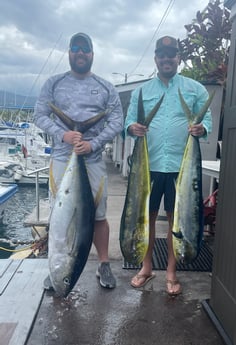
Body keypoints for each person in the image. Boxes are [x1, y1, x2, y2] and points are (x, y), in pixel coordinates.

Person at [34, 32, 123, 289]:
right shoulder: (53, 83)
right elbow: (40, 115)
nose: (81, 53)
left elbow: (116, 120)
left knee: (99, 215)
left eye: (86, 49)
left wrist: (92, 143)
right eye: (76, 48)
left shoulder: (106, 87)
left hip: (92, 160)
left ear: (92, 54)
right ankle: (56, 265)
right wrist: (64, 134)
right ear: (70, 52)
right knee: (60, 215)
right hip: (63, 159)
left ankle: (104, 264)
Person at [124, 36, 212, 295]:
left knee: (178, 221)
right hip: (148, 166)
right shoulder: (142, 91)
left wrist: (202, 127)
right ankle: (147, 267)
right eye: (162, 55)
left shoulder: (195, 89)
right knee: (146, 220)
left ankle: (171, 272)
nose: (166, 59)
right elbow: (128, 122)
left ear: (178, 58)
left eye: (171, 54)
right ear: (156, 59)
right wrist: (132, 127)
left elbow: (206, 117)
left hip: (180, 168)